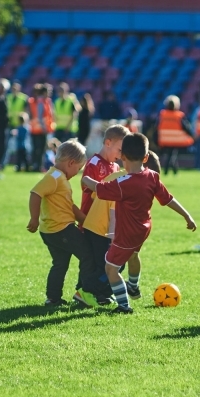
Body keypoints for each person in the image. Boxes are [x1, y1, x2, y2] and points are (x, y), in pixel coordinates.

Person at [81, 133, 197, 314]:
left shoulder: (122, 183)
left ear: (123, 157)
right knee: (133, 255)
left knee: (111, 268)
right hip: (144, 230)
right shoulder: (152, 176)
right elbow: (168, 200)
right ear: (146, 157)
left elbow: (98, 188)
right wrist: (187, 216)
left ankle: (123, 306)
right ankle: (133, 286)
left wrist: (86, 179)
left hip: (126, 234)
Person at [81, 151, 163, 306]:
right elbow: (113, 213)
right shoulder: (124, 184)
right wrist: (113, 237)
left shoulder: (119, 177)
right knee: (111, 267)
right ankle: (87, 289)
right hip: (102, 229)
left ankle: (102, 294)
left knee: (102, 263)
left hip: (94, 225)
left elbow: (95, 196)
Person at [27, 140, 100, 306]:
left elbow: (68, 205)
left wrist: (84, 221)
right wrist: (34, 218)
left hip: (53, 230)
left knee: (60, 263)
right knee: (87, 254)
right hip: (61, 229)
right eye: (78, 169)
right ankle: (84, 292)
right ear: (70, 163)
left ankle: (53, 298)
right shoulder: (55, 177)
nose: (77, 173)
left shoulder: (60, 178)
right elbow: (35, 193)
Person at [80, 124, 129, 217]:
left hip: (106, 220)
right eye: (120, 150)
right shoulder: (94, 163)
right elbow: (86, 187)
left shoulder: (116, 167)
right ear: (108, 143)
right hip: (90, 219)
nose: (121, 155)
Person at [156, 95, 194, 176]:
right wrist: (191, 135)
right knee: (172, 154)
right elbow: (186, 127)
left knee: (171, 154)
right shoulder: (179, 115)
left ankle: (174, 171)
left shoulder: (162, 114)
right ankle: (167, 170)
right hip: (176, 140)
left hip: (165, 139)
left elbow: (156, 126)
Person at [28, 84, 54, 173]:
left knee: (37, 149)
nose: (50, 93)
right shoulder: (42, 102)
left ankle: (37, 165)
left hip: (36, 128)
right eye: (48, 91)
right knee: (40, 149)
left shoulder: (45, 101)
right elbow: (40, 116)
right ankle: (38, 166)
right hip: (40, 129)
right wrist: (44, 127)